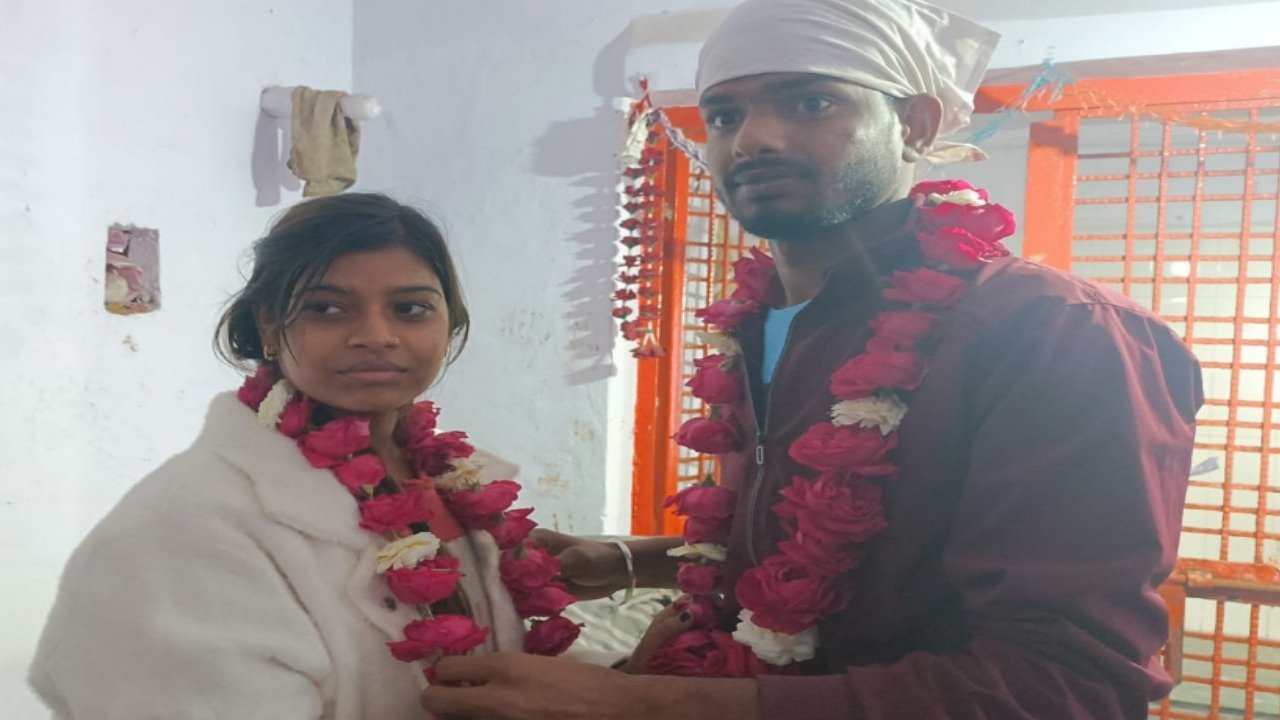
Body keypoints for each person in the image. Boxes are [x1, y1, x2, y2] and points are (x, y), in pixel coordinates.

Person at [418, 1, 1203, 719]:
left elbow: (1066, 686)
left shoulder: (1055, 334)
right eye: (724, 113)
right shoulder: (764, 320)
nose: (752, 138)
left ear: (916, 124)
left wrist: (636, 705)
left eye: (810, 101)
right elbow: (857, 555)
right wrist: (628, 561)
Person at [28, 193, 575, 719]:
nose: (376, 336)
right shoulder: (181, 529)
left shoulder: (453, 486)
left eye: (410, 308)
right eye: (327, 308)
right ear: (269, 326)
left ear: (448, 323)